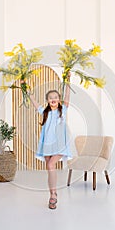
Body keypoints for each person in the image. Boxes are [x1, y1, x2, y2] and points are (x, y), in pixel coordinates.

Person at [28, 73, 72, 209]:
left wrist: (68, 80)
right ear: (47, 100)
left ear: (59, 100)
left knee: (51, 166)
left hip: (59, 144)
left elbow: (67, 95)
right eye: (50, 97)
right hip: (46, 145)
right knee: (49, 169)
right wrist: (27, 90)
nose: (53, 99)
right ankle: (53, 193)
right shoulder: (44, 112)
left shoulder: (63, 110)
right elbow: (34, 102)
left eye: (56, 97)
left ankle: (53, 196)